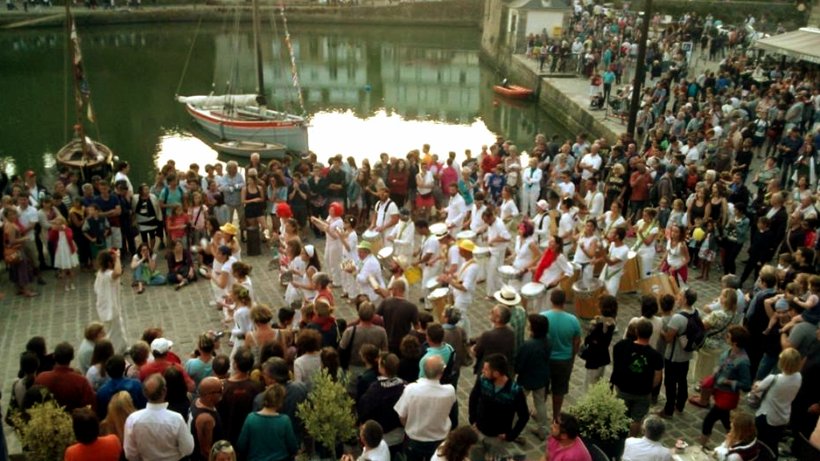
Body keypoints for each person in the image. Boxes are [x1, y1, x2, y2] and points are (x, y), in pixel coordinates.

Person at [394, 355, 457, 461]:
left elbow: (402, 415)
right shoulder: (450, 391)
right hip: (439, 439)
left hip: (415, 439)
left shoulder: (411, 389)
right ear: (441, 373)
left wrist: (410, 426)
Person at [468, 354, 529, 461]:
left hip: (497, 439)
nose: (482, 371)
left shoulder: (515, 391)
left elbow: (524, 416)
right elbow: (473, 398)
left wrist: (511, 435)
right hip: (478, 431)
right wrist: (472, 419)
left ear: (496, 373)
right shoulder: (483, 380)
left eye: (486, 369)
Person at [699, 326, 753, 447]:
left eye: (728, 336)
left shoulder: (743, 362)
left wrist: (729, 382)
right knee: (725, 420)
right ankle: (738, 439)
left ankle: (701, 446)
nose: (725, 337)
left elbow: (746, 384)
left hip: (727, 396)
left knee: (709, 420)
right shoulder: (728, 351)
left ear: (735, 342)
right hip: (719, 392)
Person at [123, 373, 195, 461]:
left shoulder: (133, 419)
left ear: (144, 393)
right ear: (164, 391)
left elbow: (130, 454)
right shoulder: (176, 419)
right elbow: (188, 449)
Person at [611, 319, 664, 436]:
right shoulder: (655, 355)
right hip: (642, 392)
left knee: (621, 416)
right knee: (637, 419)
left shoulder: (621, 346)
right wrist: (649, 388)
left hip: (623, 388)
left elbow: (617, 367)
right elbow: (657, 378)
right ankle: (632, 440)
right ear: (651, 334)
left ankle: (619, 438)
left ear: (636, 331)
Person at [753, 347, 803, 458]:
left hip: (767, 416)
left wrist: (757, 383)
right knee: (773, 444)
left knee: (760, 443)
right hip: (783, 416)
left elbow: (757, 388)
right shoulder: (798, 377)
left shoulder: (774, 378)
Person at [541, 289, 581, 420]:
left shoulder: (543, 317)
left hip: (546, 359)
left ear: (551, 300)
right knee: (559, 390)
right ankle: (556, 415)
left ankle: (540, 412)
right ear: (564, 302)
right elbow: (576, 342)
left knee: (542, 388)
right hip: (564, 360)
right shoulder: (573, 320)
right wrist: (572, 357)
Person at [659, 288, 698, 418]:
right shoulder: (696, 312)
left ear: (685, 299)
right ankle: (680, 405)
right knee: (682, 380)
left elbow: (669, 339)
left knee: (670, 383)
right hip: (686, 355)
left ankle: (668, 410)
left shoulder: (678, 318)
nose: (677, 298)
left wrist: (661, 331)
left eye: (680, 296)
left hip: (673, 356)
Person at [237, 384, 298, 461]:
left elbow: (241, 445)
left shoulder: (251, 418)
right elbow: (293, 447)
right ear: (280, 401)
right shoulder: (285, 420)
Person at [218, 346, 264, 447]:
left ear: (234, 364)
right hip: (250, 434)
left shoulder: (224, 387)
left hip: (229, 434)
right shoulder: (257, 387)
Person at [515, 314, 552, 440]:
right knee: (540, 404)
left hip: (526, 379)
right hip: (541, 378)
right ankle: (543, 430)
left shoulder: (528, 345)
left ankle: (516, 431)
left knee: (517, 404)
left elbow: (519, 364)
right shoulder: (548, 340)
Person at [33, 342, 96, 412]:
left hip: (47, 420)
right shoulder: (81, 381)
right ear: (72, 357)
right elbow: (90, 407)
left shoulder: (41, 378)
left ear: (54, 356)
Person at [581, 295, 618, 389]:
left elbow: (590, 339)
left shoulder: (601, 324)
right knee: (597, 379)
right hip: (602, 357)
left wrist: (591, 329)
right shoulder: (611, 322)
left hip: (594, 357)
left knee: (590, 384)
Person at [94, 249, 127, 352]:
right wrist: (117, 257)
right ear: (109, 263)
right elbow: (118, 272)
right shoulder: (108, 274)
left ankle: (123, 347)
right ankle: (115, 351)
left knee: (119, 328)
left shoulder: (100, 273)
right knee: (113, 332)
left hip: (106, 306)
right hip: (109, 308)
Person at [96, 355, 146, 419]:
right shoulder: (136, 385)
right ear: (124, 368)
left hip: (113, 425)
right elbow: (143, 407)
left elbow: (102, 414)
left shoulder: (101, 392)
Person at [377, 279, 419, 354]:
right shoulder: (412, 307)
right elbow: (417, 327)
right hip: (403, 342)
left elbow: (376, 316)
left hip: (388, 339)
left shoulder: (386, 302)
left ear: (396, 289)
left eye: (392, 289)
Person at [191, 377, 225, 461]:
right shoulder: (206, 419)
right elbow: (206, 451)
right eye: (220, 391)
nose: (222, 392)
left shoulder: (197, 401)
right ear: (209, 396)